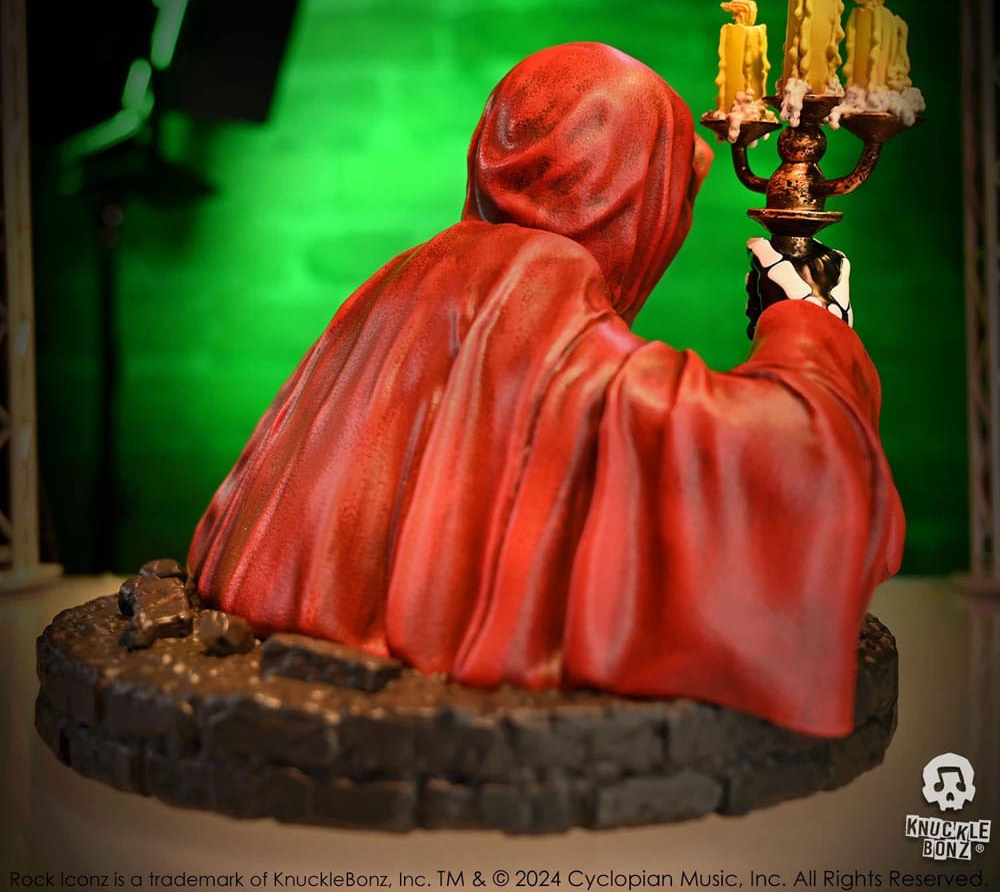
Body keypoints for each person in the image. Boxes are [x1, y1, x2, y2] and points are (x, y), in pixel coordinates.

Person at [187, 42, 904, 738]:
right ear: (627, 191)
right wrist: (811, 328)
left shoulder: (414, 271)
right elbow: (789, 466)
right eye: (668, 189)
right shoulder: (536, 287)